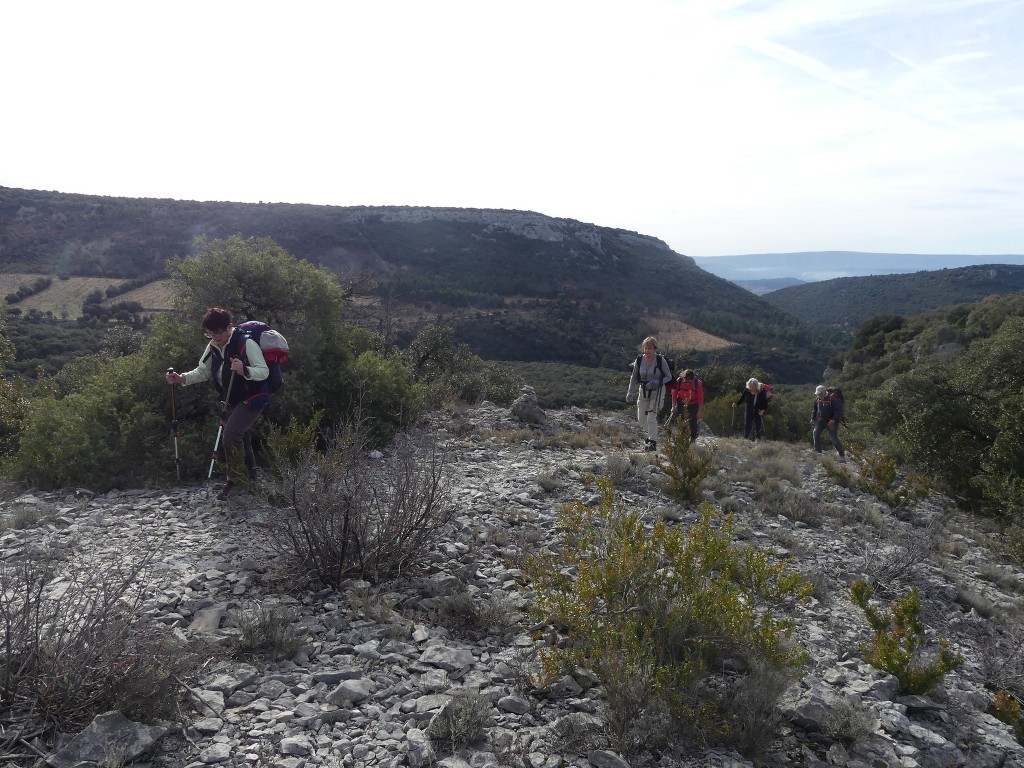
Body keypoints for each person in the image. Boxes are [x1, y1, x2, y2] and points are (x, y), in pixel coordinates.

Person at [165, 307, 270, 499]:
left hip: (252, 397)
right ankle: (251, 481)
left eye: (218, 332)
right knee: (241, 437)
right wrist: (181, 378)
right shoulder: (213, 346)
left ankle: (236, 481)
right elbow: (203, 371)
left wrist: (245, 370)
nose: (215, 337)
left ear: (229, 327)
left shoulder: (246, 343)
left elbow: (263, 371)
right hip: (230, 398)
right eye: (210, 333)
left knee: (231, 435)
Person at [626, 336, 673, 451]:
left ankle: (653, 442)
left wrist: (656, 382)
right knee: (641, 418)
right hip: (643, 391)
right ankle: (652, 434)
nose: (647, 351)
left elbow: (669, 376)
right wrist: (629, 392)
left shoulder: (660, 360)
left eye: (649, 349)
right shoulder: (639, 360)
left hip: (657, 392)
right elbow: (633, 376)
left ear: (655, 349)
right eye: (645, 348)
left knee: (651, 417)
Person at [811, 385, 845, 459]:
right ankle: (818, 451)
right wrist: (813, 418)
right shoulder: (818, 399)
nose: (818, 395)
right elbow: (815, 410)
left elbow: (838, 410)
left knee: (833, 438)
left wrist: (833, 419)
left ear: (824, 392)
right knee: (815, 432)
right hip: (822, 419)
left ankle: (841, 454)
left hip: (832, 421)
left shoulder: (832, 399)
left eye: (819, 393)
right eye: (817, 394)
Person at [670, 369, 704, 442]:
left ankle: (693, 438)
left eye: (690, 382)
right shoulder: (679, 381)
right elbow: (674, 394)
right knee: (681, 420)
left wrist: (699, 411)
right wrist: (673, 406)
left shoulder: (697, 383)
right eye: (686, 382)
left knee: (693, 421)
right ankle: (683, 437)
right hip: (681, 402)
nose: (688, 384)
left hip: (693, 403)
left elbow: (701, 398)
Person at [732, 377, 768, 441]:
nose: (752, 388)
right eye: (750, 386)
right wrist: (736, 404)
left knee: (758, 426)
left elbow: (765, 403)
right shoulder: (747, 391)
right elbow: (742, 399)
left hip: (758, 411)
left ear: (756, 386)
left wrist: (763, 410)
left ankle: (758, 440)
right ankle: (746, 439)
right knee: (747, 425)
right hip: (748, 410)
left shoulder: (761, 392)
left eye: (753, 386)